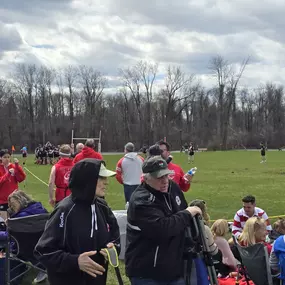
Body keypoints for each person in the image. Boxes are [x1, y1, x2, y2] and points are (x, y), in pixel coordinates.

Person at [34, 158, 120, 285]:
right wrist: (75, 261)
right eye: (101, 178)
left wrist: (113, 248)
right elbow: (43, 250)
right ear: (87, 181)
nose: (106, 182)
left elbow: (114, 234)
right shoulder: (64, 210)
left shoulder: (102, 206)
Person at [125, 156, 202, 285]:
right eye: (159, 177)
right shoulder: (141, 200)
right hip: (148, 272)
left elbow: (182, 212)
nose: (165, 181)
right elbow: (163, 228)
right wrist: (188, 213)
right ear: (146, 178)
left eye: (166, 176)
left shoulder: (172, 187)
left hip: (174, 269)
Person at [0, 190, 48, 283]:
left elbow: (8, 235)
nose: (11, 207)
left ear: (20, 201)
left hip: (22, 248)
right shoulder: (40, 209)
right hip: (42, 244)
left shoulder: (19, 219)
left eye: (12, 204)